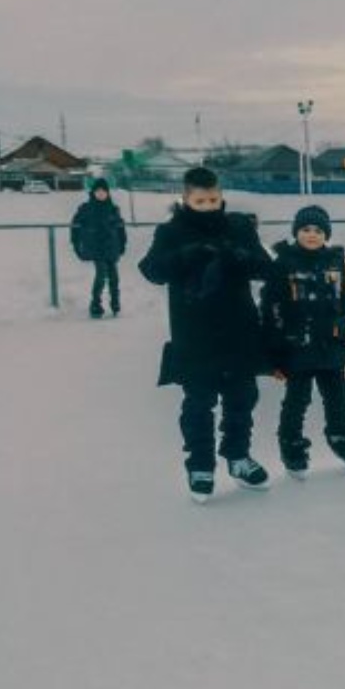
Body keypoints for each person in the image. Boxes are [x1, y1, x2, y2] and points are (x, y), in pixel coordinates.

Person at [138, 166, 273, 502]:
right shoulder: (171, 231)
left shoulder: (238, 226)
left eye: (213, 199)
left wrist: (240, 256)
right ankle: (200, 465)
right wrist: (184, 255)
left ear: (220, 195)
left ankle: (238, 457)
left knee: (242, 398)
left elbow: (265, 268)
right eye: (200, 201)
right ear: (186, 199)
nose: (209, 206)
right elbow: (152, 270)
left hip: (239, 329)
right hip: (195, 334)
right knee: (199, 402)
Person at [260, 204, 345, 477]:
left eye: (318, 230)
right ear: (296, 232)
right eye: (306, 229)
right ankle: (291, 445)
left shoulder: (336, 263)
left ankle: (339, 437)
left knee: (338, 398)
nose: (312, 235)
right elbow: (271, 309)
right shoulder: (283, 264)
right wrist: (274, 353)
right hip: (297, 348)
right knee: (297, 400)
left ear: (326, 235)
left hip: (332, 346)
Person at [71, 177, 128, 319]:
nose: (101, 194)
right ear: (93, 192)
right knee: (101, 275)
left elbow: (120, 228)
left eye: (104, 191)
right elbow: (75, 227)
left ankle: (115, 303)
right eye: (98, 191)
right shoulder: (86, 209)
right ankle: (95, 304)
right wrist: (77, 245)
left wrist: (122, 244)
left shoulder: (113, 209)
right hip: (96, 247)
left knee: (114, 277)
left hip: (111, 247)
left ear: (108, 193)